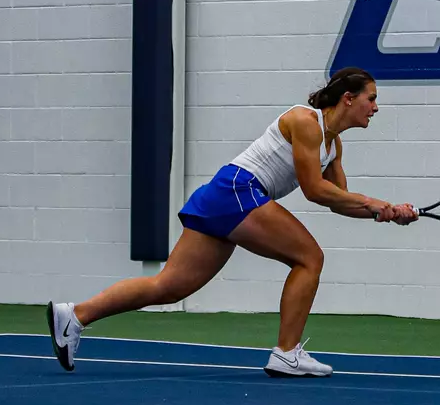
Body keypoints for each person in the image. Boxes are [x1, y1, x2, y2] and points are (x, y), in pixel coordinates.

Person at [47, 67, 417, 377]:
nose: (376, 107)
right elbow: (314, 190)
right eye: (372, 98)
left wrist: (385, 213)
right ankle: (286, 353)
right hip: (238, 190)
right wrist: (374, 203)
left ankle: (75, 316)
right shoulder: (305, 122)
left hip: (227, 198)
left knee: (170, 286)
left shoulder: (333, 148)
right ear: (348, 98)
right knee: (309, 258)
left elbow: (339, 202)